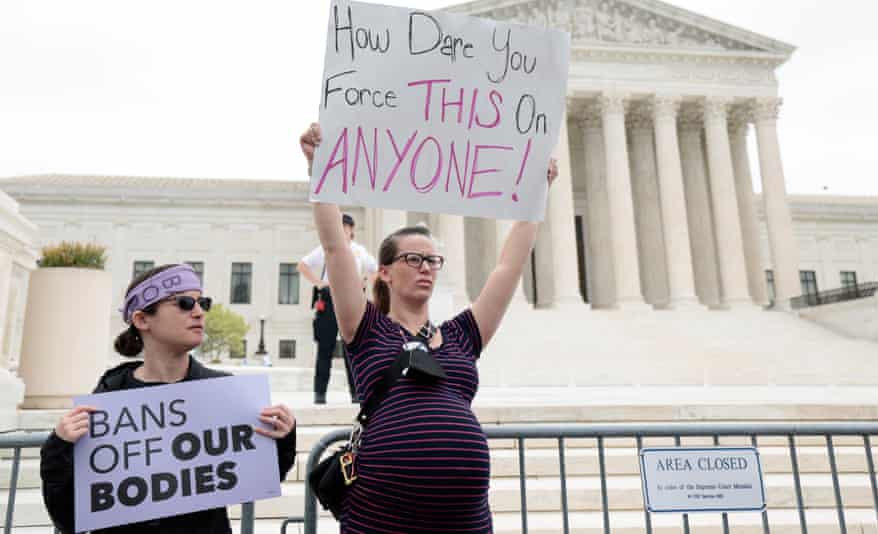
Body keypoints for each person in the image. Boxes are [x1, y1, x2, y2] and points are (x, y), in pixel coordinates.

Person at [300, 123, 558, 533]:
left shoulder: (462, 335)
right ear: (383, 272)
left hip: (464, 522)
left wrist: (536, 195)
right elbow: (335, 247)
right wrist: (319, 169)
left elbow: (509, 265)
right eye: (413, 260)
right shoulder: (366, 329)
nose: (425, 268)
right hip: (381, 520)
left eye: (432, 261)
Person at [40, 264, 297, 534]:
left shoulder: (223, 391)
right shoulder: (109, 396)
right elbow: (70, 512)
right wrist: (59, 446)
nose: (199, 312)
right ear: (142, 320)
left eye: (202, 302)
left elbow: (255, 478)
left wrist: (282, 438)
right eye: (184, 303)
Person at [298, 213, 377, 404]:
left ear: (351, 230)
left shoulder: (359, 251)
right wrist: (318, 283)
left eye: (345, 227)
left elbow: (374, 269)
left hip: (352, 298)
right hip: (329, 297)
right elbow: (302, 265)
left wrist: (365, 283)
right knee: (325, 347)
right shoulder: (327, 249)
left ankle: (357, 394)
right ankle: (319, 394)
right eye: (338, 226)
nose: (341, 230)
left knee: (353, 347)